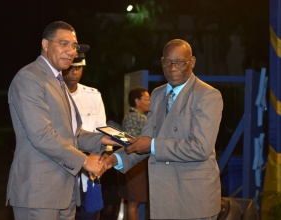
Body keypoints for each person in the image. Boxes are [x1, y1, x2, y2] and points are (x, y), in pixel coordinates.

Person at [100, 39, 223, 220]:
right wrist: (113, 160)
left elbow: (199, 147)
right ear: (161, 62)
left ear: (192, 62)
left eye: (180, 62)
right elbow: (145, 140)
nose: (173, 68)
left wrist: (152, 145)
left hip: (193, 200)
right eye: (167, 62)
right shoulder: (157, 94)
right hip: (163, 198)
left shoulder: (207, 95)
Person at [6, 21, 118, 220]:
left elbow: (72, 133)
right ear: (45, 44)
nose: (71, 51)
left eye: (74, 46)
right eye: (63, 44)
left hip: (65, 195)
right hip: (38, 195)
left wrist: (102, 140)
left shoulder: (59, 82)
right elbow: (41, 135)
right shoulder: (29, 78)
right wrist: (85, 161)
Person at [62, 43, 106, 220]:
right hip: (64, 172)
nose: (74, 72)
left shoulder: (93, 95)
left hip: (90, 174)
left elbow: (102, 134)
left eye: (79, 68)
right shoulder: (56, 95)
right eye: (71, 68)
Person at [117, 86, 150, 220]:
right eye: (147, 99)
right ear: (137, 101)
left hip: (130, 165)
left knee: (132, 202)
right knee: (133, 203)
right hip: (135, 166)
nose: (149, 102)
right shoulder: (139, 118)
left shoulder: (129, 117)